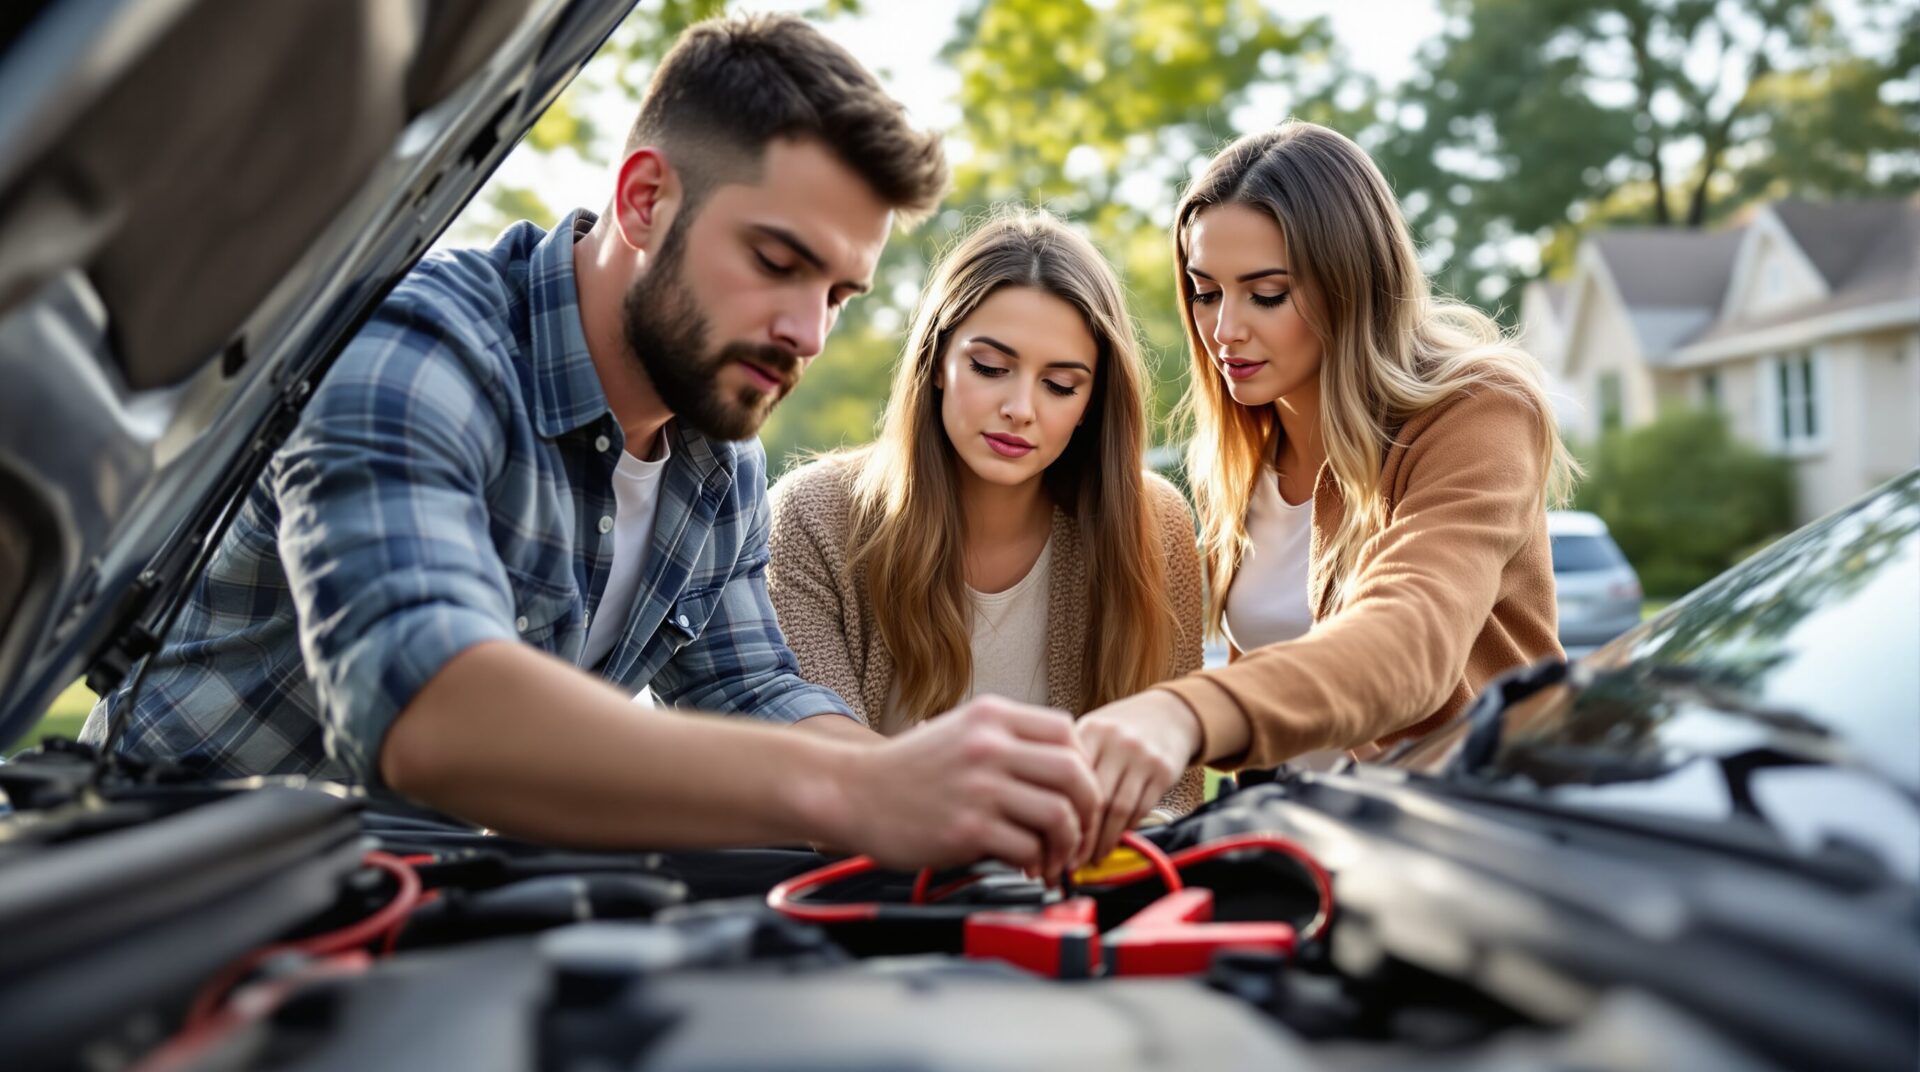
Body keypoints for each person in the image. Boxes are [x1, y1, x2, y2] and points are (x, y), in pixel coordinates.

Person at [83, 15, 1098, 877]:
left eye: (838, 293)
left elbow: (752, 690)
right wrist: (854, 789)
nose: (808, 333)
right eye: (776, 261)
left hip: (411, 916)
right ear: (645, 200)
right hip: (147, 895)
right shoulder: (419, 350)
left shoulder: (716, 456)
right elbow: (430, 712)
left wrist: (944, 792)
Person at [1072, 121, 1577, 862]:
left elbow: (1411, 637)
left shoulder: (1478, 413)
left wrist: (1187, 713)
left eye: (1267, 294)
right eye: (1205, 293)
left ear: (1351, 284)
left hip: (1482, 856)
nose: (1224, 330)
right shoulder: (1245, 450)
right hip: (1313, 858)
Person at [767, 211, 1207, 833]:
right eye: (991, 368)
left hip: (1088, 886)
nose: (1019, 409)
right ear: (937, 359)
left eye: (1060, 385)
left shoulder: (1153, 526)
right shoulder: (813, 516)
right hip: (871, 888)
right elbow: (814, 778)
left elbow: (1176, 798)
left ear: (1092, 402)